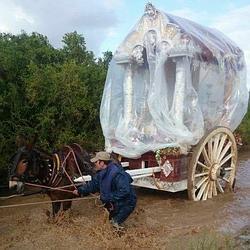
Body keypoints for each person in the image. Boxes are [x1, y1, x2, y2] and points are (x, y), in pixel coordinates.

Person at [73, 151, 137, 229]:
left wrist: (106, 197)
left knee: (113, 223)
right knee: (110, 222)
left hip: (127, 202)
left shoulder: (118, 174)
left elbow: (124, 191)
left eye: (96, 162)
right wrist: (80, 190)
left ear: (102, 163)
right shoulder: (101, 173)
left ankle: (121, 236)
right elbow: (93, 185)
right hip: (115, 202)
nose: (94, 164)